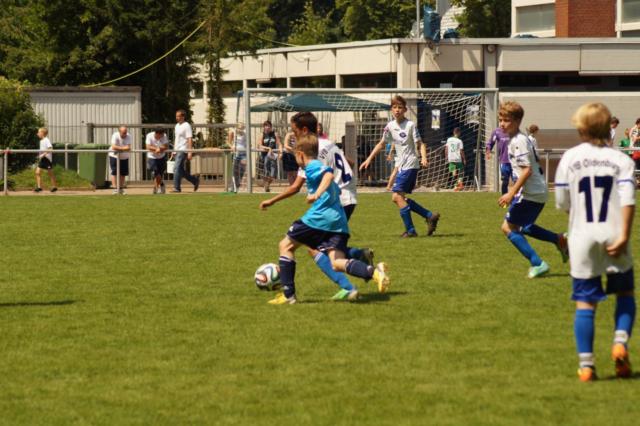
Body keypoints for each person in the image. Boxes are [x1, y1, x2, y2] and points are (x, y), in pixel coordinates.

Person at [555, 102, 636, 382]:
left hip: (582, 237)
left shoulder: (570, 158)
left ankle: (587, 366)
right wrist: (624, 235)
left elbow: (562, 202)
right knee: (624, 294)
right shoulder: (621, 160)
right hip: (614, 233)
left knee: (585, 303)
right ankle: (620, 343)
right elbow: (628, 200)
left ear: (581, 128)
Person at [260, 112, 378, 299]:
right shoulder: (326, 143)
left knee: (314, 248)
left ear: (304, 130)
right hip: (348, 196)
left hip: (335, 202)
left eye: (294, 131)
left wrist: (272, 200)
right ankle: (358, 256)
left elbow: (295, 187)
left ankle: (349, 286)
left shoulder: (310, 152)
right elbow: (348, 162)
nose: (294, 136)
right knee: (323, 246)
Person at [497, 101, 568, 278]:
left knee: (508, 227)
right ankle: (559, 239)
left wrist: (511, 192)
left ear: (517, 121)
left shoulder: (518, 141)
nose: (502, 124)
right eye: (500, 120)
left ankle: (538, 263)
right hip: (536, 191)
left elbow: (527, 170)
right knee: (525, 227)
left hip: (531, 193)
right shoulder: (519, 138)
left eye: (506, 120)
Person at [360, 95, 440, 238]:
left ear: (405, 110)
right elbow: (381, 144)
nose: (397, 110)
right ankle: (429, 216)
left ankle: (411, 231)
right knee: (400, 198)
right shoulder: (390, 126)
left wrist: (424, 158)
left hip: (411, 164)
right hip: (402, 166)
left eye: (400, 107)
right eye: (394, 107)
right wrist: (369, 159)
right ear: (391, 110)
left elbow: (420, 144)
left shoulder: (410, 125)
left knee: (396, 197)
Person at [172, 109, 200, 193]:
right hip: (177, 150)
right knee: (179, 169)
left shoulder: (186, 125)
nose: (177, 118)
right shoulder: (177, 126)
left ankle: (176, 187)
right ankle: (194, 180)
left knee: (176, 168)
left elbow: (189, 139)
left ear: (183, 117)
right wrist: (173, 150)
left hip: (183, 149)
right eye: (176, 116)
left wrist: (189, 151)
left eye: (178, 116)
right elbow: (177, 139)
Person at [486, 126, 512, 195]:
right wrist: (488, 151)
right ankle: (504, 198)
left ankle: (518, 199)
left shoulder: (514, 129)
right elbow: (490, 142)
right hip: (504, 161)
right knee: (505, 181)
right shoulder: (497, 131)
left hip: (515, 161)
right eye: (501, 121)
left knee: (517, 181)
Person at [259, 120, 281, 193]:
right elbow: (259, 145)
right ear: (264, 127)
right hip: (265, 155)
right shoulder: (262, 134)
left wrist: (280, 152)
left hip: (273, 155)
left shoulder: (275, 134)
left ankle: (267, 184)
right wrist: (268, 148)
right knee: (266, 171)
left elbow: (279, 144)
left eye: (269, 126)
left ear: (271, 127)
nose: (267, 127)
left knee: (273, 173)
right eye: (266, 126)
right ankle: (266, 185)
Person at [146, 128, 169, 194]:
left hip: (161, 157)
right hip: (152, 157)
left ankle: (156, 188)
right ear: (157, 134)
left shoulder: (164, 135)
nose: (162, 136)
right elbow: (148, 147)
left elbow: (166, 146)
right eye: (161, 135)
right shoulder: (149, 135)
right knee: (155, 172)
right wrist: (156, 149)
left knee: (159, 174)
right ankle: (161, 185)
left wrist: (160, 149)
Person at [109, 126, 131, 195]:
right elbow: (113, 147)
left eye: (126, 132)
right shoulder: (115, 135)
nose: (125, 134)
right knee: (114, 172)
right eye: (123, 133)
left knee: (123, 173)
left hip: (124, 157)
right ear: (119, 132)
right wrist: (123, 148)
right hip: (114, 156)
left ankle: (121, 189)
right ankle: (115, 189)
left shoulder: (128, 136)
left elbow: (128, 147)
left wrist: (119, 148)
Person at [34, 127, 57, 193]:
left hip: (47, 159)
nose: (37, 134)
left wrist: (43, 154)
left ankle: (54, 186)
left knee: (50, 173)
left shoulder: (46, 140)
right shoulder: (41, 141)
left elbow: (50, 148)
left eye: (39, 132)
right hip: (43, 159)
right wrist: (40, 155)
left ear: (42, 133)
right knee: (37, 172)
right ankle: (39, 187)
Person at [228, 123, 247, 193]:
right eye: (239, 128)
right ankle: (233, 187)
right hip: (236, 153)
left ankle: (237, 185)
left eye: (242, 128)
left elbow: (247, 143)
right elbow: (228, 142)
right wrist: (232, 147)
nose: (241, 130)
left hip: (243, 153)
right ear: (237, 128)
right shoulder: (233, 132)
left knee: (242, 170)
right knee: (235, 171)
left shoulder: (245, 133)